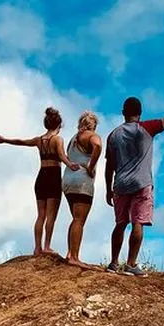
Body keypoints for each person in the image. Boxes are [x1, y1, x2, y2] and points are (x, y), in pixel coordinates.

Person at [104, 89, 164, 276]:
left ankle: (114, 264)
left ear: (123, 112)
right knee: (137, 222)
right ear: (140, 113)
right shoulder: (146, 128)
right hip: (141, 183)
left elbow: (109, 166)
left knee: (120, 223)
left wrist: (108, 189)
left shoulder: (113, 135)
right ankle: (131, 264)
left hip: (121, 185)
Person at [0, 107, 81, 256]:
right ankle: (47, 246)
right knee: (51, 215)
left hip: (41, 177)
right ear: (59, 126)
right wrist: (71, 165)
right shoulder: (57, 139)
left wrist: (4, 140)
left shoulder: (39, 140)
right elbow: (61, 155)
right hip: (53, 176)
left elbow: (21, 141)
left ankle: (37, 247)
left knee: (41, 215)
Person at [62, 111, 102, 268]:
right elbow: (97, 145)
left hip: (67, 182)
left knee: (75, 219)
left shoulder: (73, 139)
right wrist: (91, 166)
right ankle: (75, 257)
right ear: (93, 125)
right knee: (80, 220)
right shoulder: (91, 135)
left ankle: (70, 253)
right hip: (82, 183)